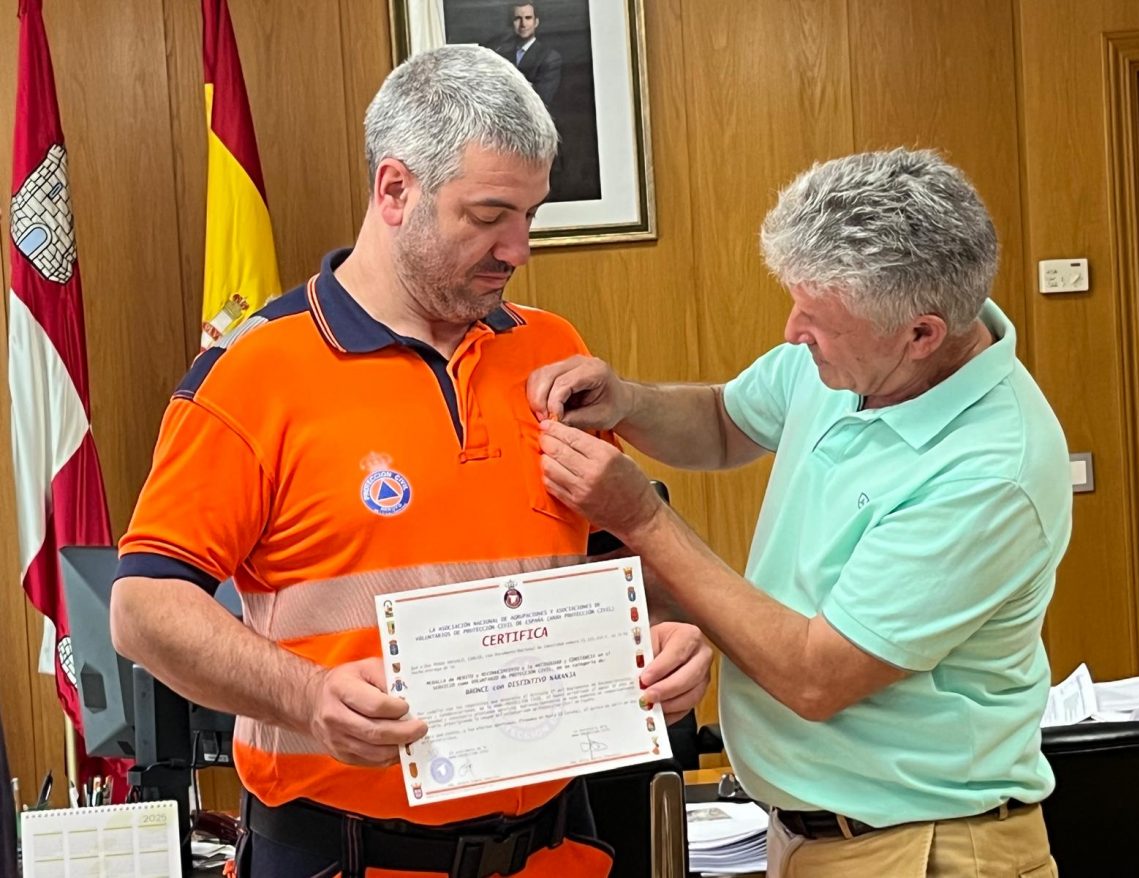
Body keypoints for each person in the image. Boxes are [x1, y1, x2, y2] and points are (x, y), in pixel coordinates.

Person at [110, 45, 710, 878]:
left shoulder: (551, 351)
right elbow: (143, 608)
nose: (518, 247)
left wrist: (664, 640)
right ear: (395, 190)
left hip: (554, 850)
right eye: (489, 215)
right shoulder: (253, 373)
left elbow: (609, 559)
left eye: (530, 214)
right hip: (344, 857)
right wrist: (308, 697)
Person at [527, 148, 1070, 877]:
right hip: (811, 836)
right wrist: (628, 402)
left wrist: (643, 519)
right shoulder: (856, 360)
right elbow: (723, 422)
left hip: (921, 849)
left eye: (815, 319)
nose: (791, 332)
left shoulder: (989, 473)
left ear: (922, 335)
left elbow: (817, 678)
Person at [488, 3, 562, 107]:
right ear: (512, 23)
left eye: (528, 18)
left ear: (536, 22)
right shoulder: (500, 54)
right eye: (518, 18)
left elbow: (541, 100)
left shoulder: (550, 58)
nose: (523, 24)